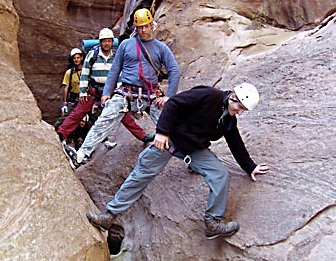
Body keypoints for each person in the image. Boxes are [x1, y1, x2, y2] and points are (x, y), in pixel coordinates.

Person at [86, 83, 269, 240]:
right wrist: (162, 132)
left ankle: (212, 222)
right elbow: (174, 103)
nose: (240, 112)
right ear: (234, 96)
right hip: (169, 140)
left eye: (243, 110)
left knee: (219, 174)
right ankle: (109, 216)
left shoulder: (228, 120)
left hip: (194, 150)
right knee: (141, 175)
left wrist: (250, 167)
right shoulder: (208, 95)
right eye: (241, 107)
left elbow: (235, 142)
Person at [63, 8, 181, 169]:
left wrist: (169, 97)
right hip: (126, 92)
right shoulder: (126, 45)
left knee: (173, 126)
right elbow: (115, 69)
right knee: (104, 120)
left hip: (151, 94)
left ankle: (193, 157)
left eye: (146, 26)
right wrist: (106, 93)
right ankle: (81, 155)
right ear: (135, 27)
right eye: (140, 27)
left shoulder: (160, 48)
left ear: (152, 25)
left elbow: (174, 70)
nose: (143, 30)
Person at [57, 28, 150, 151]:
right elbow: (85, 72)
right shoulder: (93, 54)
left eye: (109, 41)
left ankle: (143, 136)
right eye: (104, 41)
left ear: (112, 42)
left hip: (110, 92)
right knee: (78, 112)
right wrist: (83, 91)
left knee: (123, 114)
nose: (106, 43)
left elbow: (119, 74)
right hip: (94, 91)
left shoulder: (116, 56)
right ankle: (61, 134)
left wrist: (120, 92)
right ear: (100, 42)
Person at [54, 48, 84, 133]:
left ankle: (105, 140)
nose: (76, 60)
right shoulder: (69, 73)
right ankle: (55, 133)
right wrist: (65, 102)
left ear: (81, 58)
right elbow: (66, 87)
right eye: (74, 58)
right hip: (74, 99)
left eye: (78, 57)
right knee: (65, 118)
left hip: (85, 99)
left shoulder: (86, 71)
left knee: (94, 118)